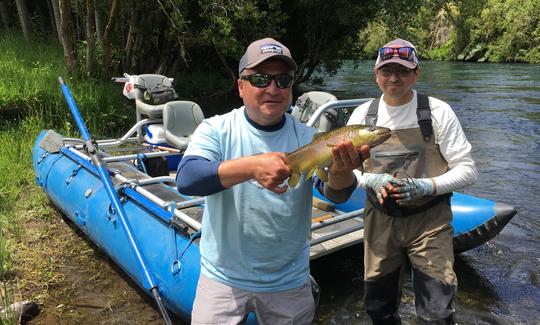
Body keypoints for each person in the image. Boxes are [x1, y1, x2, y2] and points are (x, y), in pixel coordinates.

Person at [176, 37, 369, 324]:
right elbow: (188, 179)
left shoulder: (309, 138)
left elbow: (335, 194)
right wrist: (252, 166)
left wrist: (341, 174)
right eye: (261, 79)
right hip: (222, 280)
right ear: (241, 86)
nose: (272, 89)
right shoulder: (215, 129)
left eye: (283, 80)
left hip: (289, 282)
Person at [347, 38, 477, 324]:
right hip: (380, 221)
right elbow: (345, 173)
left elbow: (467, 170)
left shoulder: (437, 112)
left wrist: (425, 186)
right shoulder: (362, 116)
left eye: (403, 71)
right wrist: (370, 180)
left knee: (437, 311)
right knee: (378, 308)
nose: (394, 78)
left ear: (416, 73)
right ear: (376, 74)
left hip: (430, 221)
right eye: (387, 70)